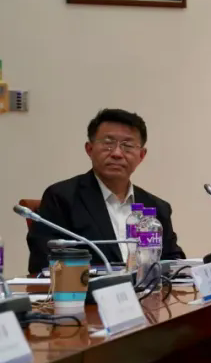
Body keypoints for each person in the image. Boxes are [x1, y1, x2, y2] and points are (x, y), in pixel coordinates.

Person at [27, 108, 185, 274]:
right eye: (108, 144)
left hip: (148, 289)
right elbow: (44, 262)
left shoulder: (157, 207)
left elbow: (174, 263)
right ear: (89, 149)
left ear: (141, 155)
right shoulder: (62, 198)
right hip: (89, 290)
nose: (117, 153)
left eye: (127, 146)